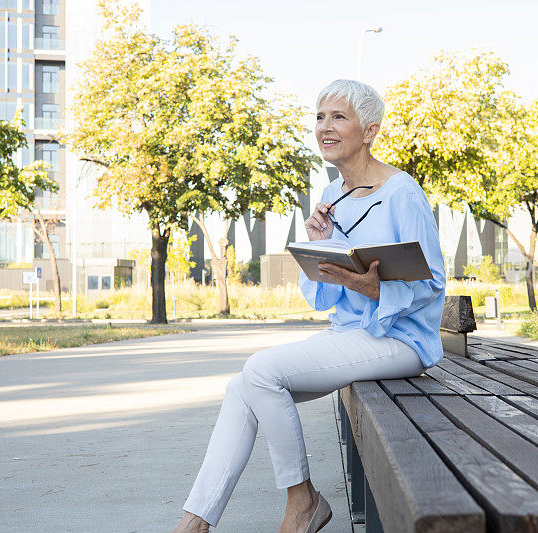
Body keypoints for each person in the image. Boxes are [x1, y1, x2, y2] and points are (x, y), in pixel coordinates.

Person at [172, 79, 445, 533]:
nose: (325, 127)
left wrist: (375, 289)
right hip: (352, 333)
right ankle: (194, 521)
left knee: (261, 370)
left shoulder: (401, 192)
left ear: (371, 130)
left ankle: (303, 502)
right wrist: (320, 250)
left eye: (339, 117)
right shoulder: (333, 194)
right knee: (242, 387)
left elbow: (433, 282)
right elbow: (325, 296)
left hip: (400, 340)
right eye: (320, 117)